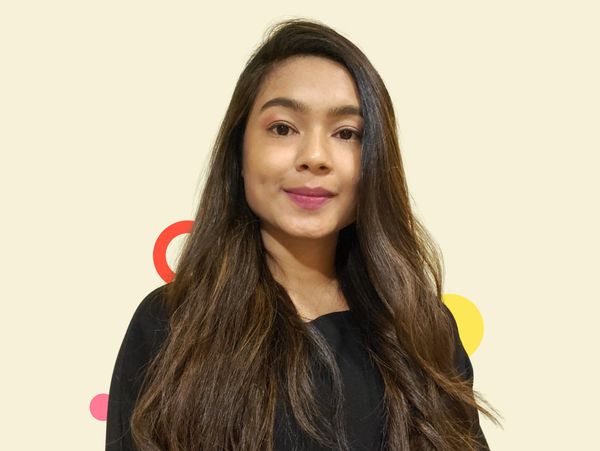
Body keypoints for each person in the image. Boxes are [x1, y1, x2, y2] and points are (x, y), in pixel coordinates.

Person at [106, 18, 500, 451]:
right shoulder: (170, 325)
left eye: (346, 133)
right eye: (283, 128)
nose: (314, 156)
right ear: (239, 151)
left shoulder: (424, 331)